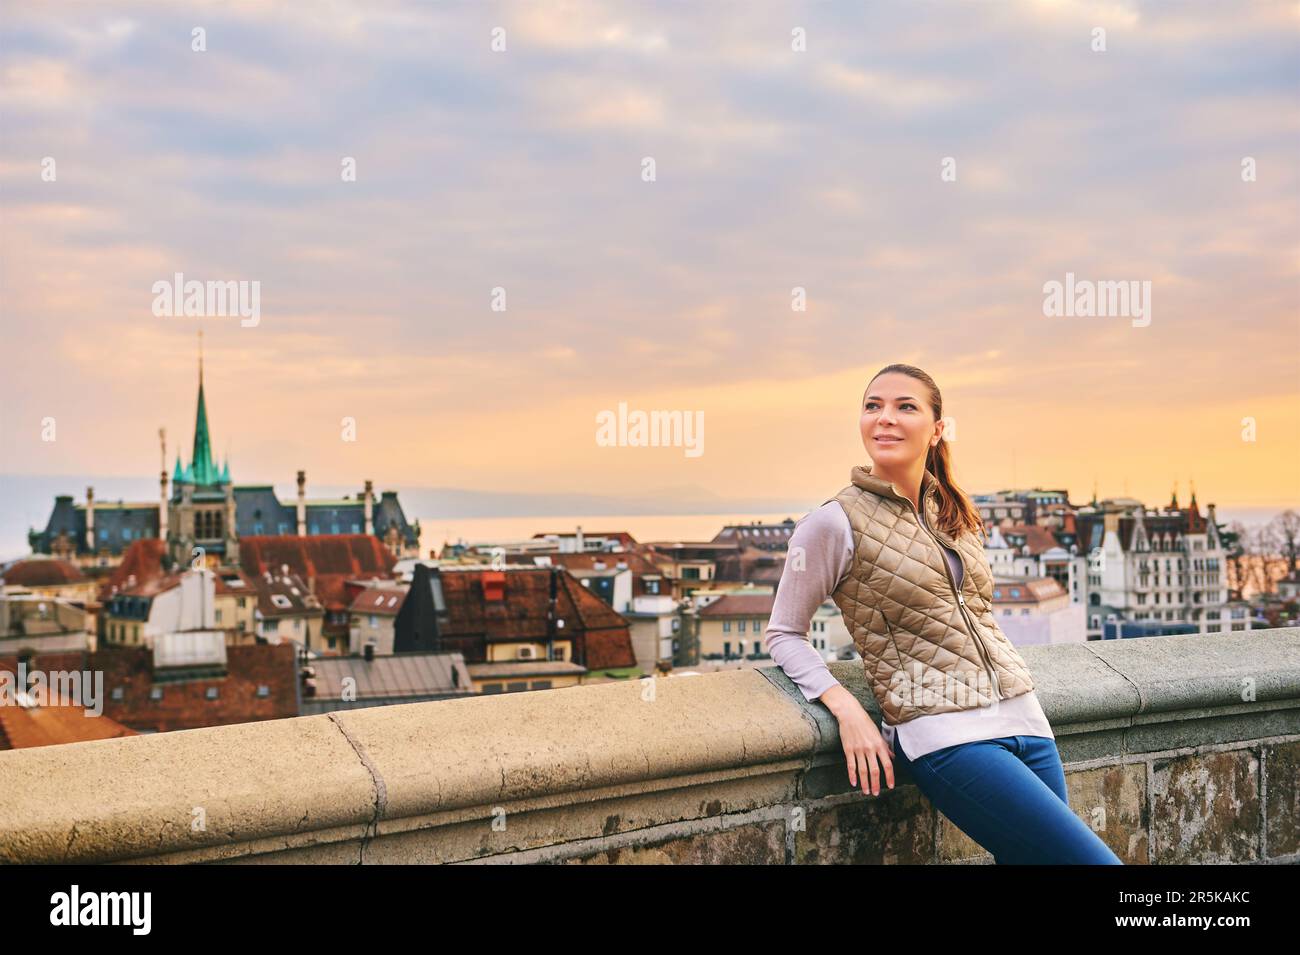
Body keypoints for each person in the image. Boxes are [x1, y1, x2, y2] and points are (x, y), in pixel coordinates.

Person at [765, 363, 1122, 865]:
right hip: (946, 736)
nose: (885, 418)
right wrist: (847, 710)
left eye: (904, 406)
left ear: (936, 429)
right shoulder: (832, 523)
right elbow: (784, 633)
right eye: (873, 406)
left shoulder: (953, 511)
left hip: (1025, 718)